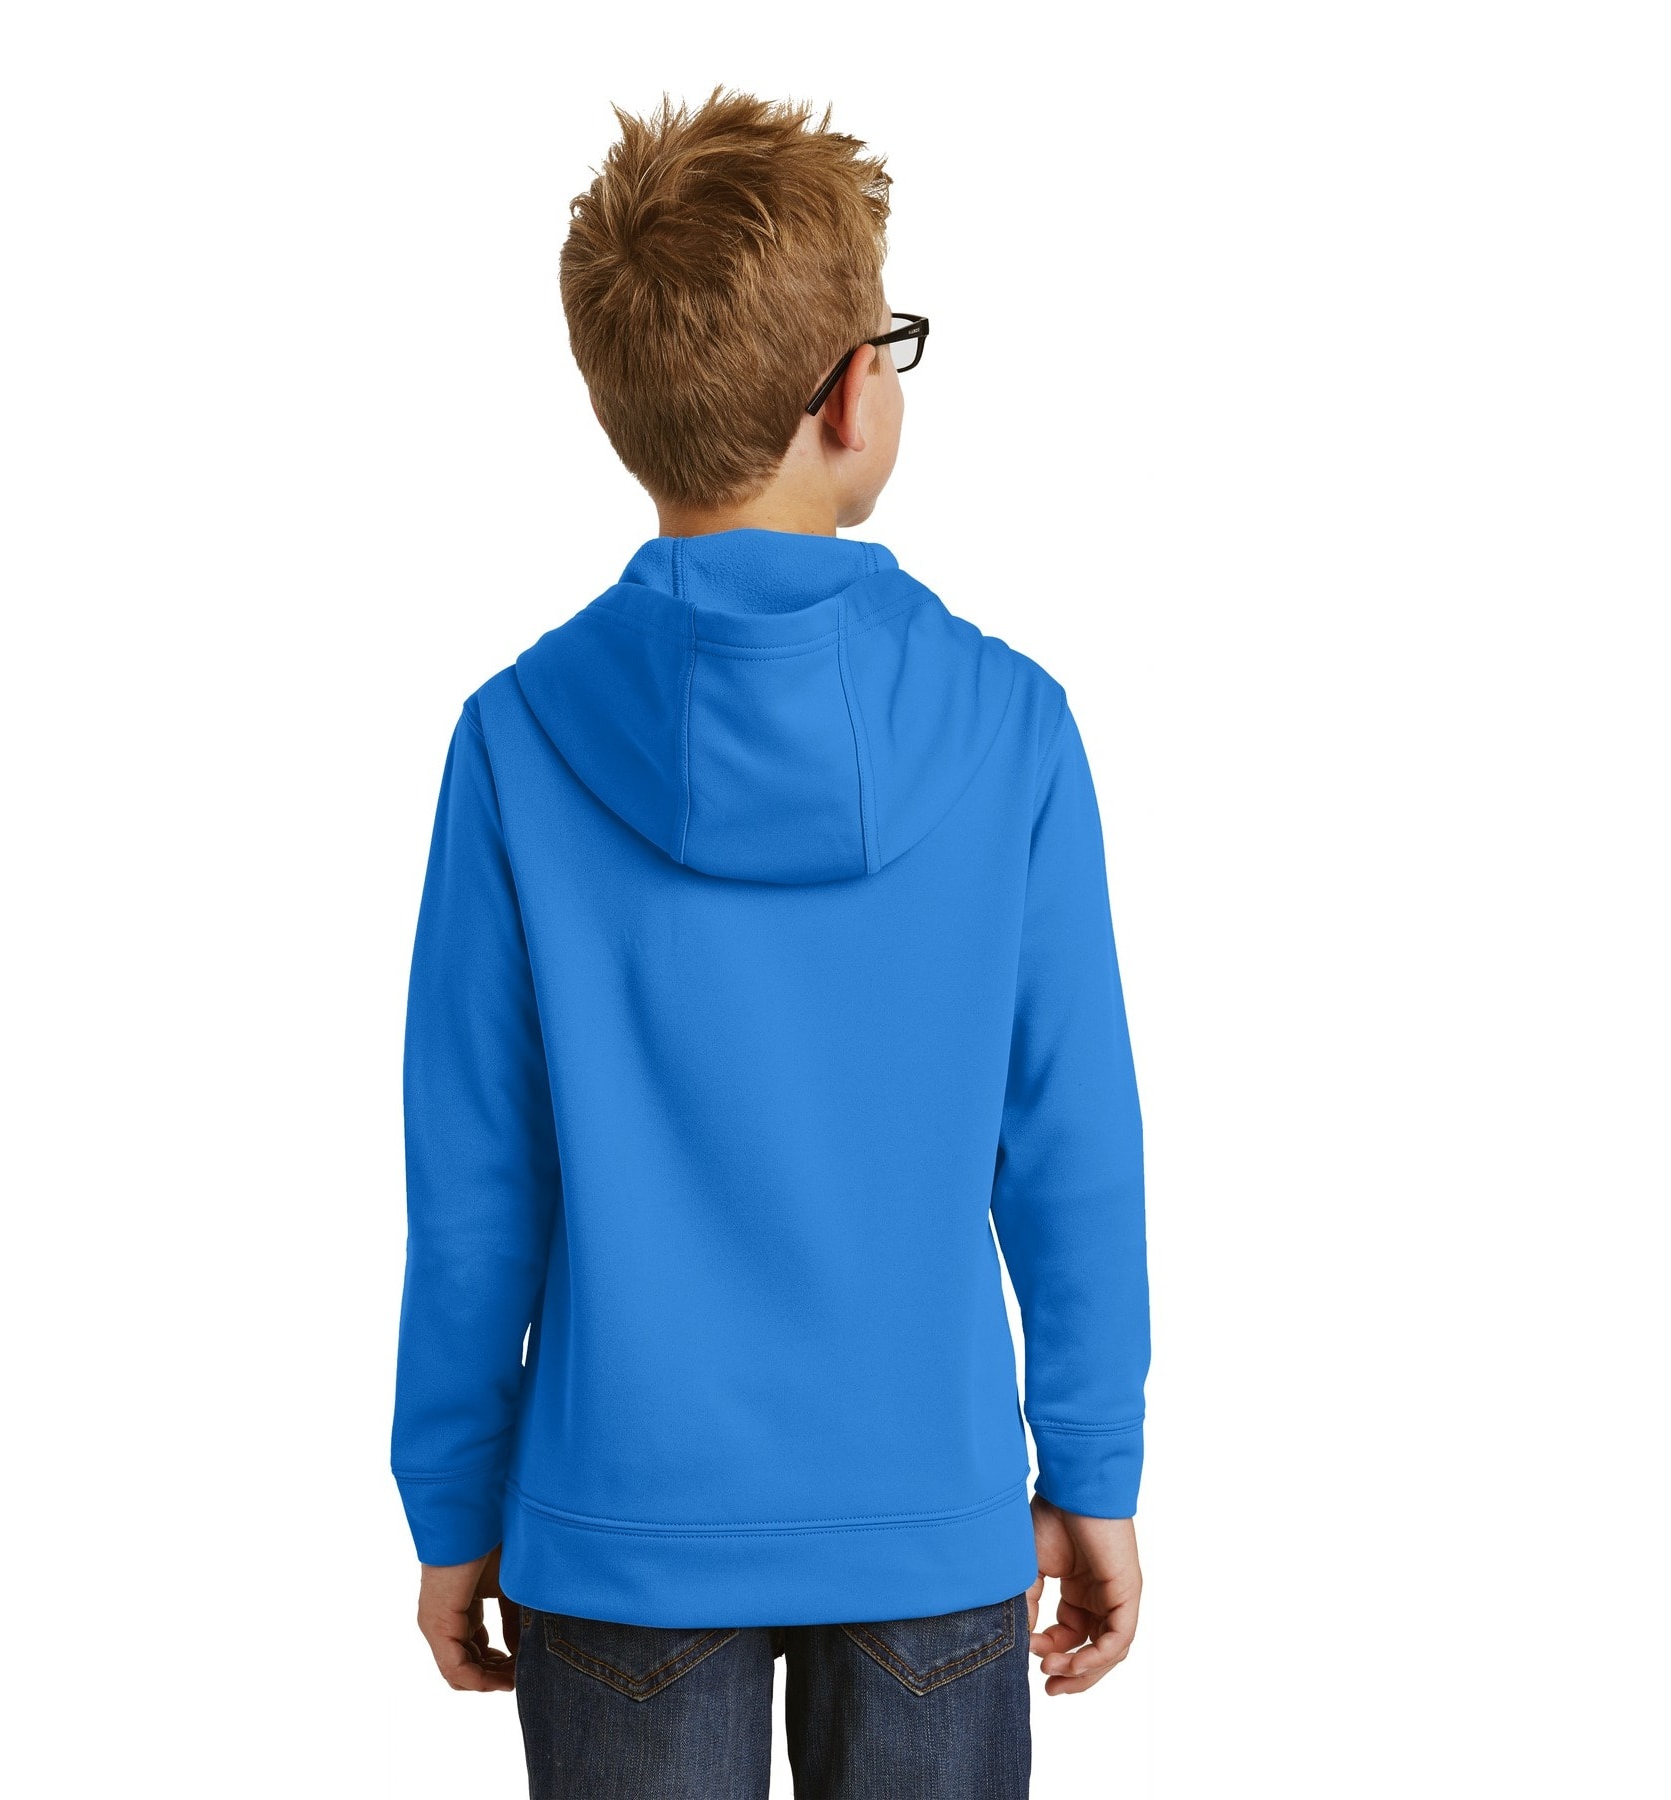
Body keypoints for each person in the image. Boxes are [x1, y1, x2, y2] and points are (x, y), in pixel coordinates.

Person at [391, 87, 1151, 1799]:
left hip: (619, 1527)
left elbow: (476, 1187)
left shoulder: (517, 740)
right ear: (849, 397)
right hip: (929, 1515)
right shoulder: (1012, 728)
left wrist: (452, 1501)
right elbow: (1074, 1147)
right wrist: (1093, 1467)